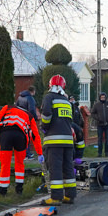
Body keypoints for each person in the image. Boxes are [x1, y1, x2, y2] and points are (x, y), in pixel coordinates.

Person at [0, 97, 43, 196]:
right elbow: (35, 136)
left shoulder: (7, 108)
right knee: (19, 163)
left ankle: (3, 191)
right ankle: (19, 189)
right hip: (21, 137)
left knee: (5, 164)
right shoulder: (29, 115)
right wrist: (40, 153)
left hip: (6, 135)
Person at [40, 74, 76, 205]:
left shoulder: (49, 97)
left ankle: (55, 198)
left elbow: (46, 114)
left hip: (54, 140)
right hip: (68, 140)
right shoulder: (66, 101)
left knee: (55, 168)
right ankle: (70, 195)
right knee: (67, 167)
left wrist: (44, 126)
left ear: (50, 85)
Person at [91, 92, 108, 157]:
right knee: (100, 139)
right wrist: (98, 118)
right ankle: (99, 153)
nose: (103, 98)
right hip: (100, 124)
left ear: (106, 97)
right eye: (101, 97)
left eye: (104, 97)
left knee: (107, 139)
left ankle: (107, 152)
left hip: (107, 124)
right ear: (99, 98)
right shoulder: (97, 105)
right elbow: (93, 113)